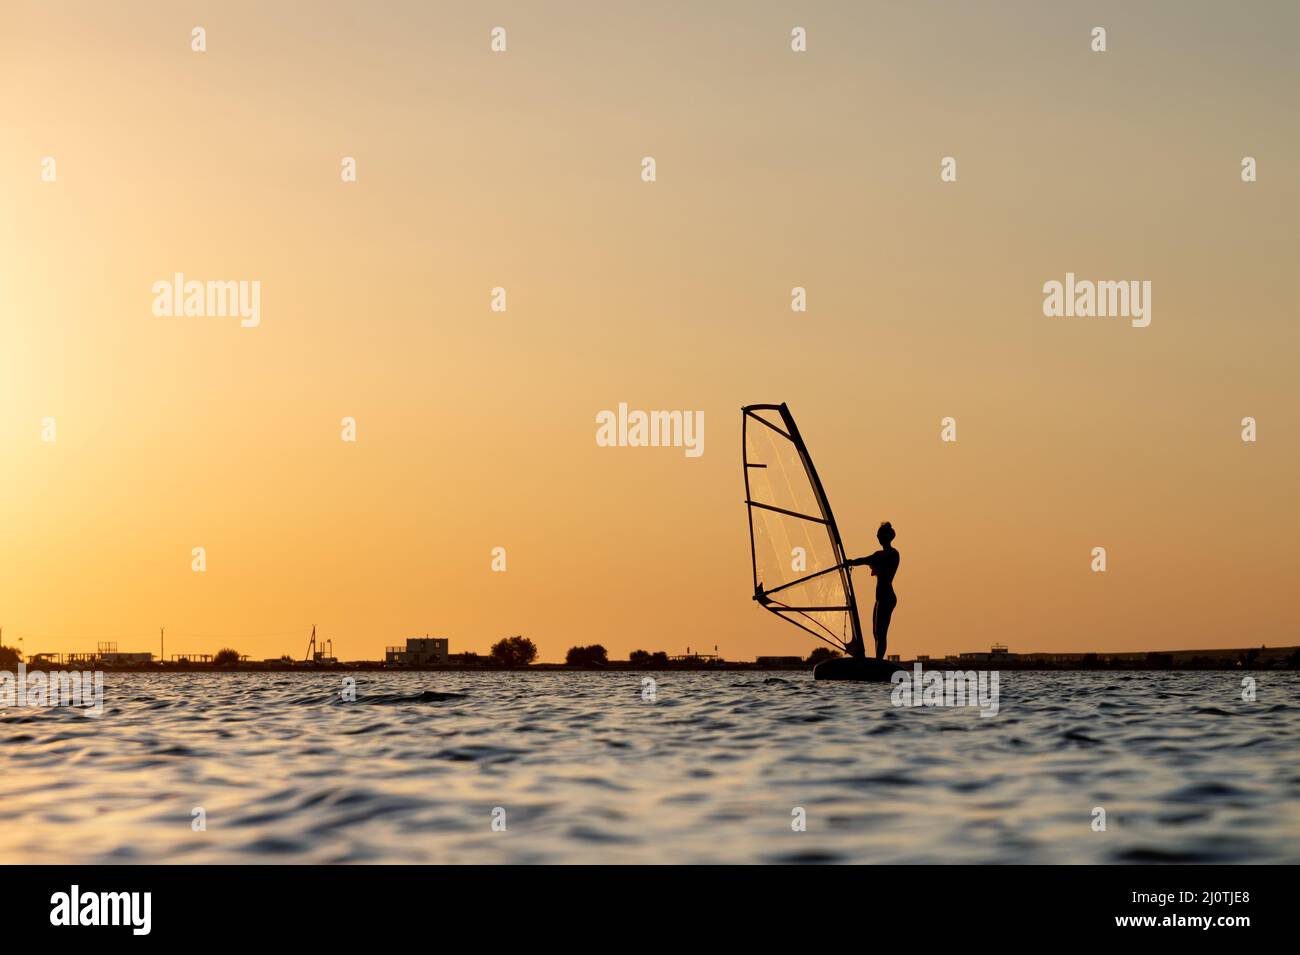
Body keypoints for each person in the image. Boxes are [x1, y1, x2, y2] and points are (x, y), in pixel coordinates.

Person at [847, 522, 899, 660]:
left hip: (887, 597)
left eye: (880, 535)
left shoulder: (892, 554)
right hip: (880, 598)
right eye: (877, 535)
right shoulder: (880, 554)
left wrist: (852, 562)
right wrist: (851, 562)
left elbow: (866, 560)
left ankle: (879, 661)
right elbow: (866, 560)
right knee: (875, 632)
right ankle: (878, 659)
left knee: (881, 632)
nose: (877, 537)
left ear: (887, 536)